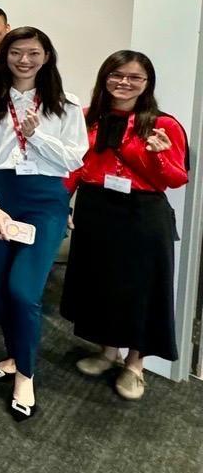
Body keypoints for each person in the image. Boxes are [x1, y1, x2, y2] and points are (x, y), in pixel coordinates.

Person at [0, 27, 88, 420]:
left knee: (23, 290)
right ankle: (17, 354)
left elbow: (73, 159)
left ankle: (26, 374)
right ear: (5, 56)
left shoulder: (66, 103)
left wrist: (37, 137)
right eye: (16, 52)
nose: (24, 60)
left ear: (47, 56)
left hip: (44, 200)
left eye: (33, 52)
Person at [61, 50, 189, 402]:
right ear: (104, 78)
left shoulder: (163, 125)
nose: (124, 83)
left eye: (134, 77)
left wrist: (159, 154)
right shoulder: (88, 118)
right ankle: (108, 351)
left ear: (147, 84)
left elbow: (177, 179)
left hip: (143, 214)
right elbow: (74, 166)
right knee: (100, 283)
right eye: (116, 75)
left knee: (142, 289)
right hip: (96, 209)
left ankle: (135, 363)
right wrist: (59, 204)